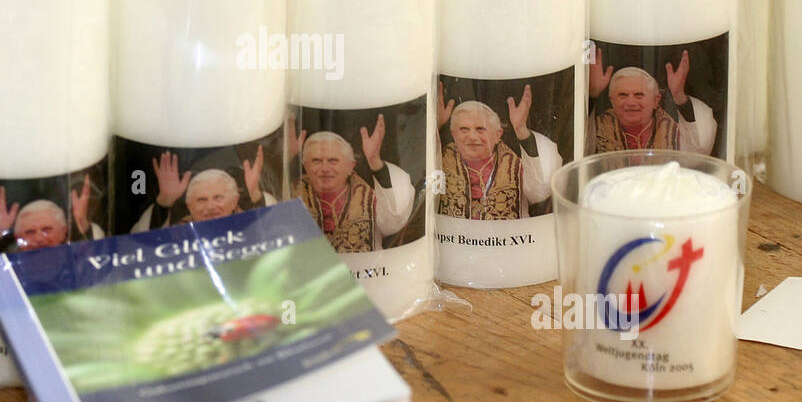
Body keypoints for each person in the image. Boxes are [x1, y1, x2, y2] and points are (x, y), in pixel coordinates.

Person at [0, 178, 104, 322]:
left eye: (47, 229)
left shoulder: (83, 251)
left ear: (64, 232)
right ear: (18, 240)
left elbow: (95, 288)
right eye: (29, 232)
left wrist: (82, 229)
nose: (38, 238)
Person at [293, 116, 415, 252]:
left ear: (350, 166)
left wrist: (375, 161)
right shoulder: (292, 192)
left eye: (333, 161)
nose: (325, 169)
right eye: (316, 161)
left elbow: (393, 222)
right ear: (305, 165)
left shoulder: (367, 196)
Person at [438, 87, 563, 220]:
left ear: (498, 135)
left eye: (480, 129)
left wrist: (521, 130)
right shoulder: (441, 158)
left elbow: (539, 192)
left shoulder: (513, 163)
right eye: (464, 129)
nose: (472, 136)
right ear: (453, 134)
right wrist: (436, 126)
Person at [586, 49, 717, 154]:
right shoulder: (597, 127)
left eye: (639, 95)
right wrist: (592, 94)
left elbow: (700, 148)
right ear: (612, 100)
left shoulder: (672, 129)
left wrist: (679, 96)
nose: (631, 102)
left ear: (656, 101)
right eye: (623, 95)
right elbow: (580, 150)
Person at [131, 147, 273, 233]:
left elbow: (275, 230)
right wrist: (164, 202)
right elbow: (139, 245)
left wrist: (255, 195)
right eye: (201, 200)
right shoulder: (176, 230)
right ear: (189, 206)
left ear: (234, 201)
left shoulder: (251, 216)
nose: (210, 207)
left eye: (218, 197)